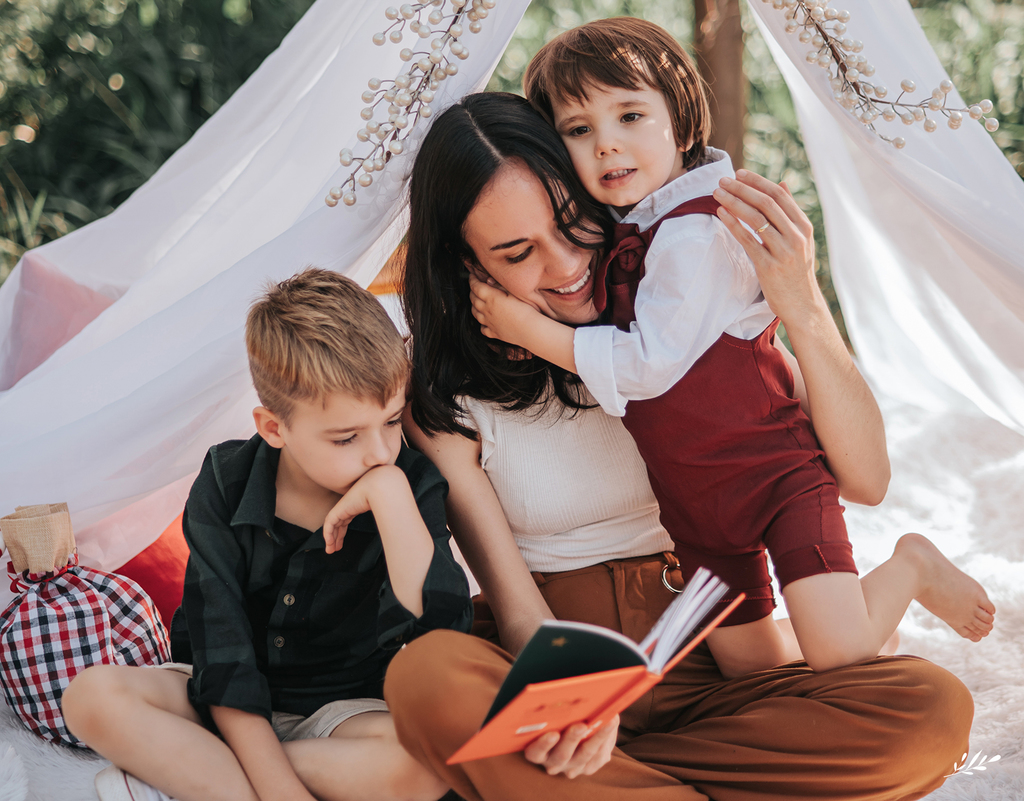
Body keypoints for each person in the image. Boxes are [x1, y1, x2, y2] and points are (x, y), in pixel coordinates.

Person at [384, 91, 974, 801]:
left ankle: (613, 789)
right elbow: (514, 607)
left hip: (707, 653)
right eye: (517, 253)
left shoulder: (683, 314)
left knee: (930, 707)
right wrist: (572, 695)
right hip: (560, 659)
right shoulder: (443, 389)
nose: (568, 265)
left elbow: (868, 479)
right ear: (469, 265)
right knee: (425, 675)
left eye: (575, 226)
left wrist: (804, 308)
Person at [463, 18, 993, 677]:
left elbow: (647, 364)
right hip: (697, 507)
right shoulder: (634, 235)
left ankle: (911, 564)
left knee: (838, 648)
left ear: (684, 127)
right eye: (578, 129)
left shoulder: (697, 235)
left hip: (775, 477)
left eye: (630, 115)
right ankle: (851, 652)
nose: (606, 145)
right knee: (751, 669)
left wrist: (528, 330)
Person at [62, 269, 471, 801]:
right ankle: (221, 772)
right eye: (346, 437)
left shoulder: (407, 482)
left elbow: (442, 629)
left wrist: (391, 495)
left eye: (392, 422)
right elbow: (222, 652)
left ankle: (192, 775)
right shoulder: (226, 482)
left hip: (342, 714)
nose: (380, 451)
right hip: (215, 696)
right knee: (90, 697)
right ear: (274, 428)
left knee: (427, 768)